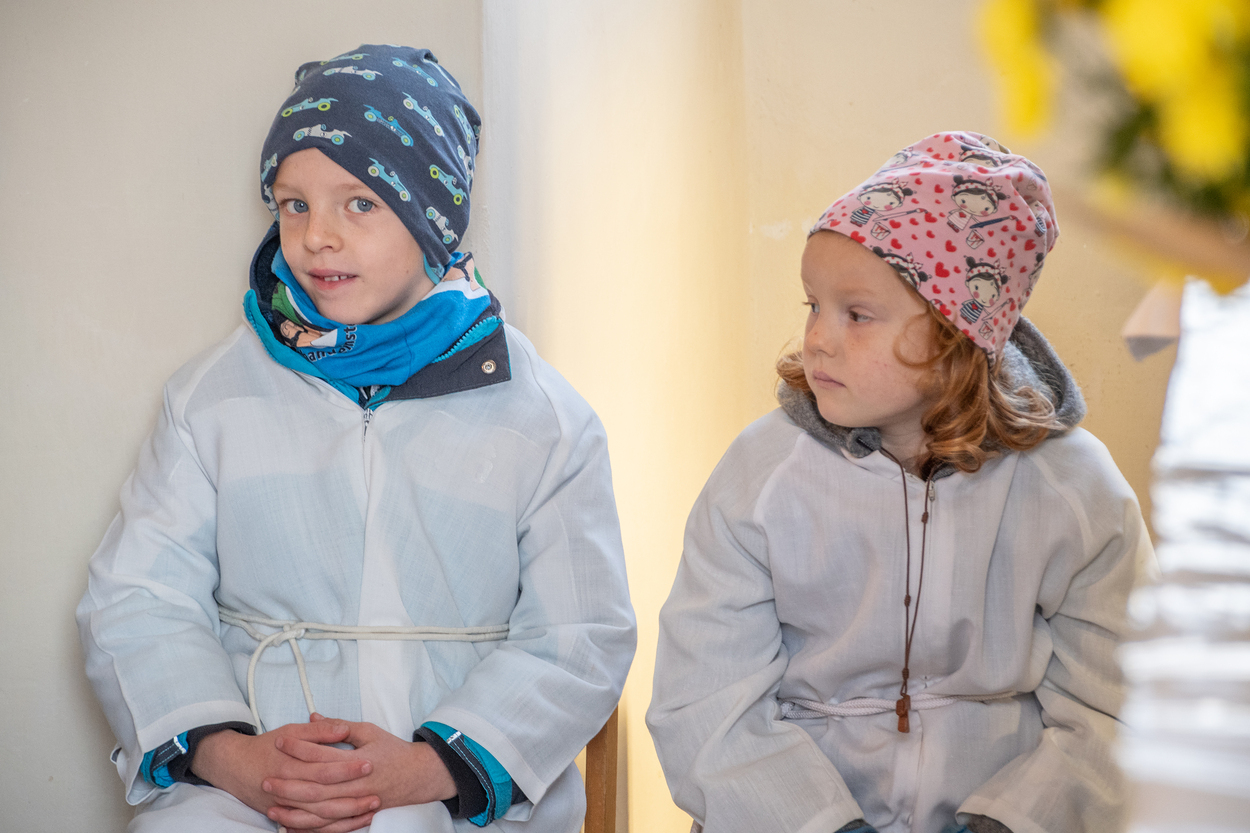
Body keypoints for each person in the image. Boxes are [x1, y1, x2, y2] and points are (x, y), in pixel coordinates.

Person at [77, 45, 636, 833]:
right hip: (253, 790)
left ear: (434, 216)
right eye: (293, 204)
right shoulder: (212, 399)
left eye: (361, 203)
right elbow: (138, 597)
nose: (317, 236)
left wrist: (425, 770)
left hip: (457, 791)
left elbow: (581, 634)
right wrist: (236, 759)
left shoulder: (543, 416)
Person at [646, 132, 1151, 833]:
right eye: (813, 305)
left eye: (856, 315)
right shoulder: (761, 476)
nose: (817, 338)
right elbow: (706, 700)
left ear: (956, 335)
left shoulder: (1073, 489)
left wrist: (1010, 822)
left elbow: (1117, 707)